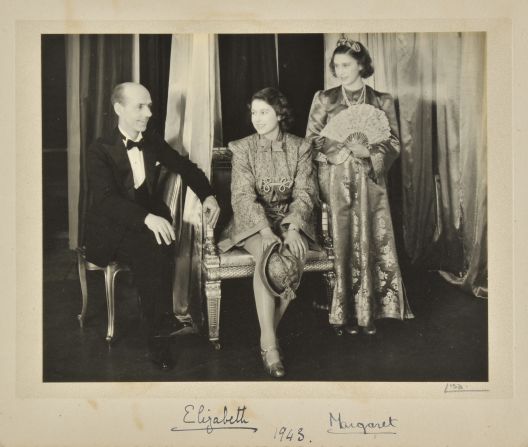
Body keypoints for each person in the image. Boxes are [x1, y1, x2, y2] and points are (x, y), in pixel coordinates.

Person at [85, 82, 220, 370]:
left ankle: (159, 322)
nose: (148, 112)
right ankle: (158, 335)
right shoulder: (99, 150)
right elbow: (107, 201)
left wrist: (208, 195)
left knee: (158, 242)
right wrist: (147, 218)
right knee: (152, 246)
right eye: (140, 106)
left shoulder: (151, 140)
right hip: (111, 228)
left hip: (144, 225)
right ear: (118, 109)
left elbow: (186, 168)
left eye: (149, 106)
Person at [306, 37, 413, 336]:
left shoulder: (382, 100)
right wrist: (340, 147)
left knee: (371, 236)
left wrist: (371, 152)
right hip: (336, 179)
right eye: (336, 66)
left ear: (362, 65)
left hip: (371, 181)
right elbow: (312, 139)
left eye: (346, 65)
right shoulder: (324, 99)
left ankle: (372, 313)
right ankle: (345, 314)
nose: (339, 71)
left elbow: (393, 143)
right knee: (342, 240)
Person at [218, 87, 317, 378]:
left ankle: (265, 335)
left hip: (290, 222)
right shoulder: (242, 147)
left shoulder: (301, 147)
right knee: (266, 253)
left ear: (279, 114)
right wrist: (264, 230)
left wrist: (294, 227)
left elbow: (306, 193)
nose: (257, 119)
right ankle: (271, 346)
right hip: (251, 223)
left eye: (264, 112)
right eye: (253, 113)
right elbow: (241, 195)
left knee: (291, 257)